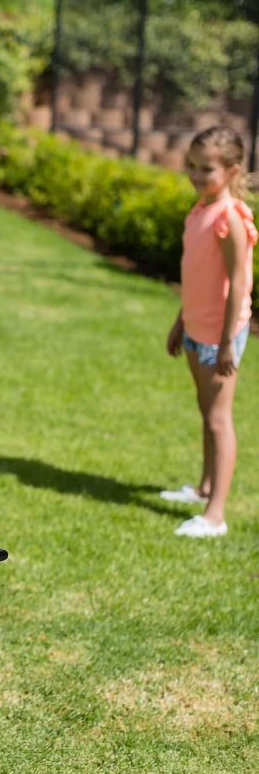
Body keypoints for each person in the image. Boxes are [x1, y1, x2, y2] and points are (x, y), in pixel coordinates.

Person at [163, 125, 257, 538]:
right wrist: (180, 322)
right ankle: (202, 490)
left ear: (233, 171)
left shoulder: (229, 218)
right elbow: (197, 277)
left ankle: (215, 516)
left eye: (208, 169)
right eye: (193, 167)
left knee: (219, 421)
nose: (198, 176)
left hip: (221, 338)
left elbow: (238, 283)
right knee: (206, 414)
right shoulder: (199, 211)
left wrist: (225, 345)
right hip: (195, 330)